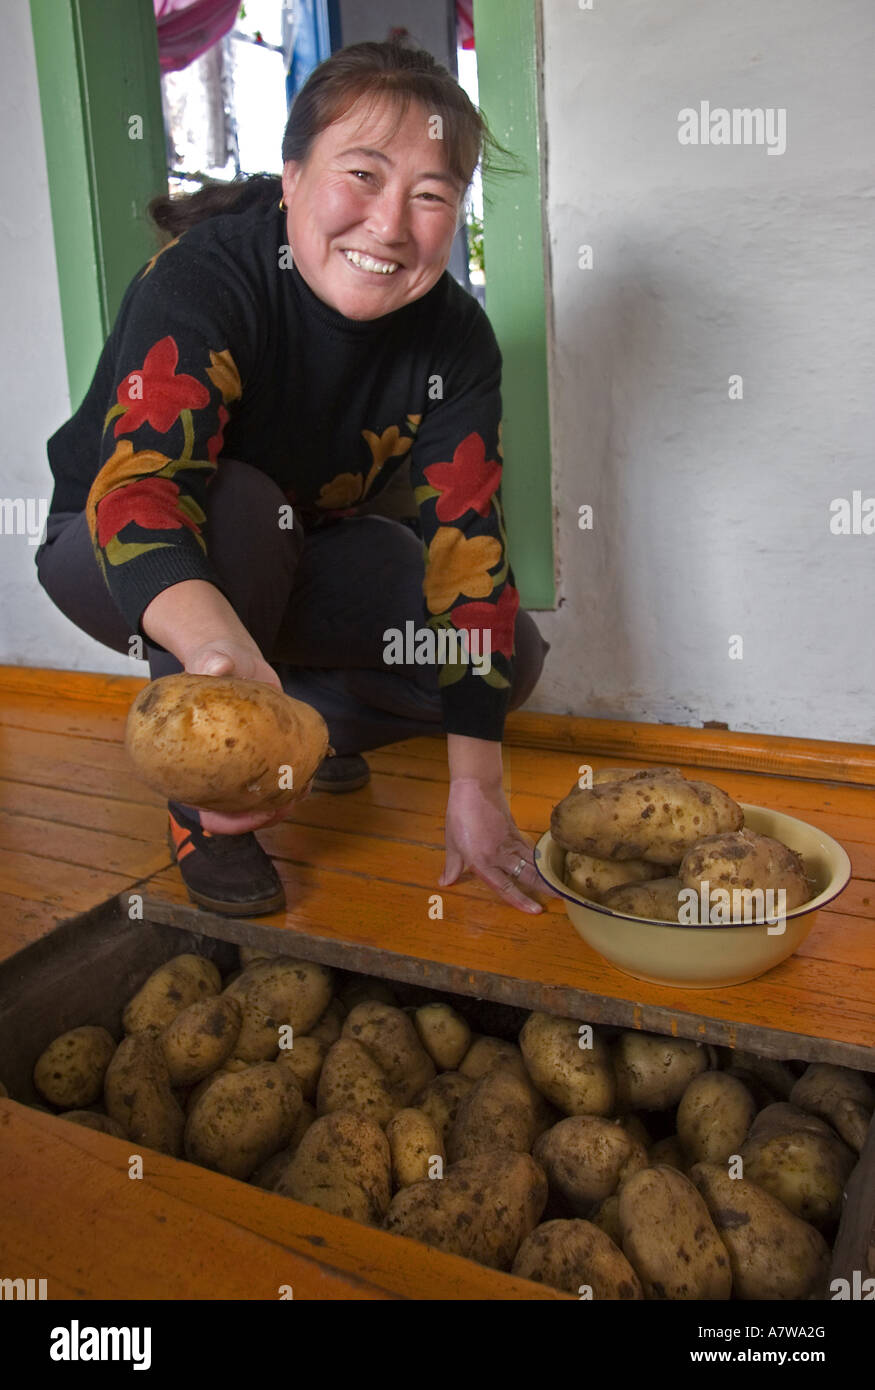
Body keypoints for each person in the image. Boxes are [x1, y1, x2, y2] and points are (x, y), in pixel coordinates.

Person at [36, 38, 557, 920]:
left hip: (301, 549)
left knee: (510, 661)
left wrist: (476, 787)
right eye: (361, 175)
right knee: (243, 503)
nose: (390, 226)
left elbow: (467, 562)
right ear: (290, 176)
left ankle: (304, 730)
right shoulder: (207, 278)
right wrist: (217, 659)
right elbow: (141, 493)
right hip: (118, 545)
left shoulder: (456, 341)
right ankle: (210, 815)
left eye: (430, 196)